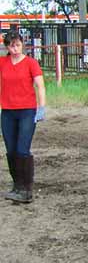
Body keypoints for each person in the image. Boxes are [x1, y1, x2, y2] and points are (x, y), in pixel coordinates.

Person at [0, 30, 46, 203]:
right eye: (12, 46)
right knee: (11, 150)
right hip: (7, 112)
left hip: (27, 111)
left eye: (18, 45)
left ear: (22, 45)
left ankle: (26, 189)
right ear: (7, 47)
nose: (16, 49)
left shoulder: (31, 63)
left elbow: (40, 86)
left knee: (22, 149)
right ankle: (17, 185)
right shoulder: (3, 63)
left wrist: (41, 108)